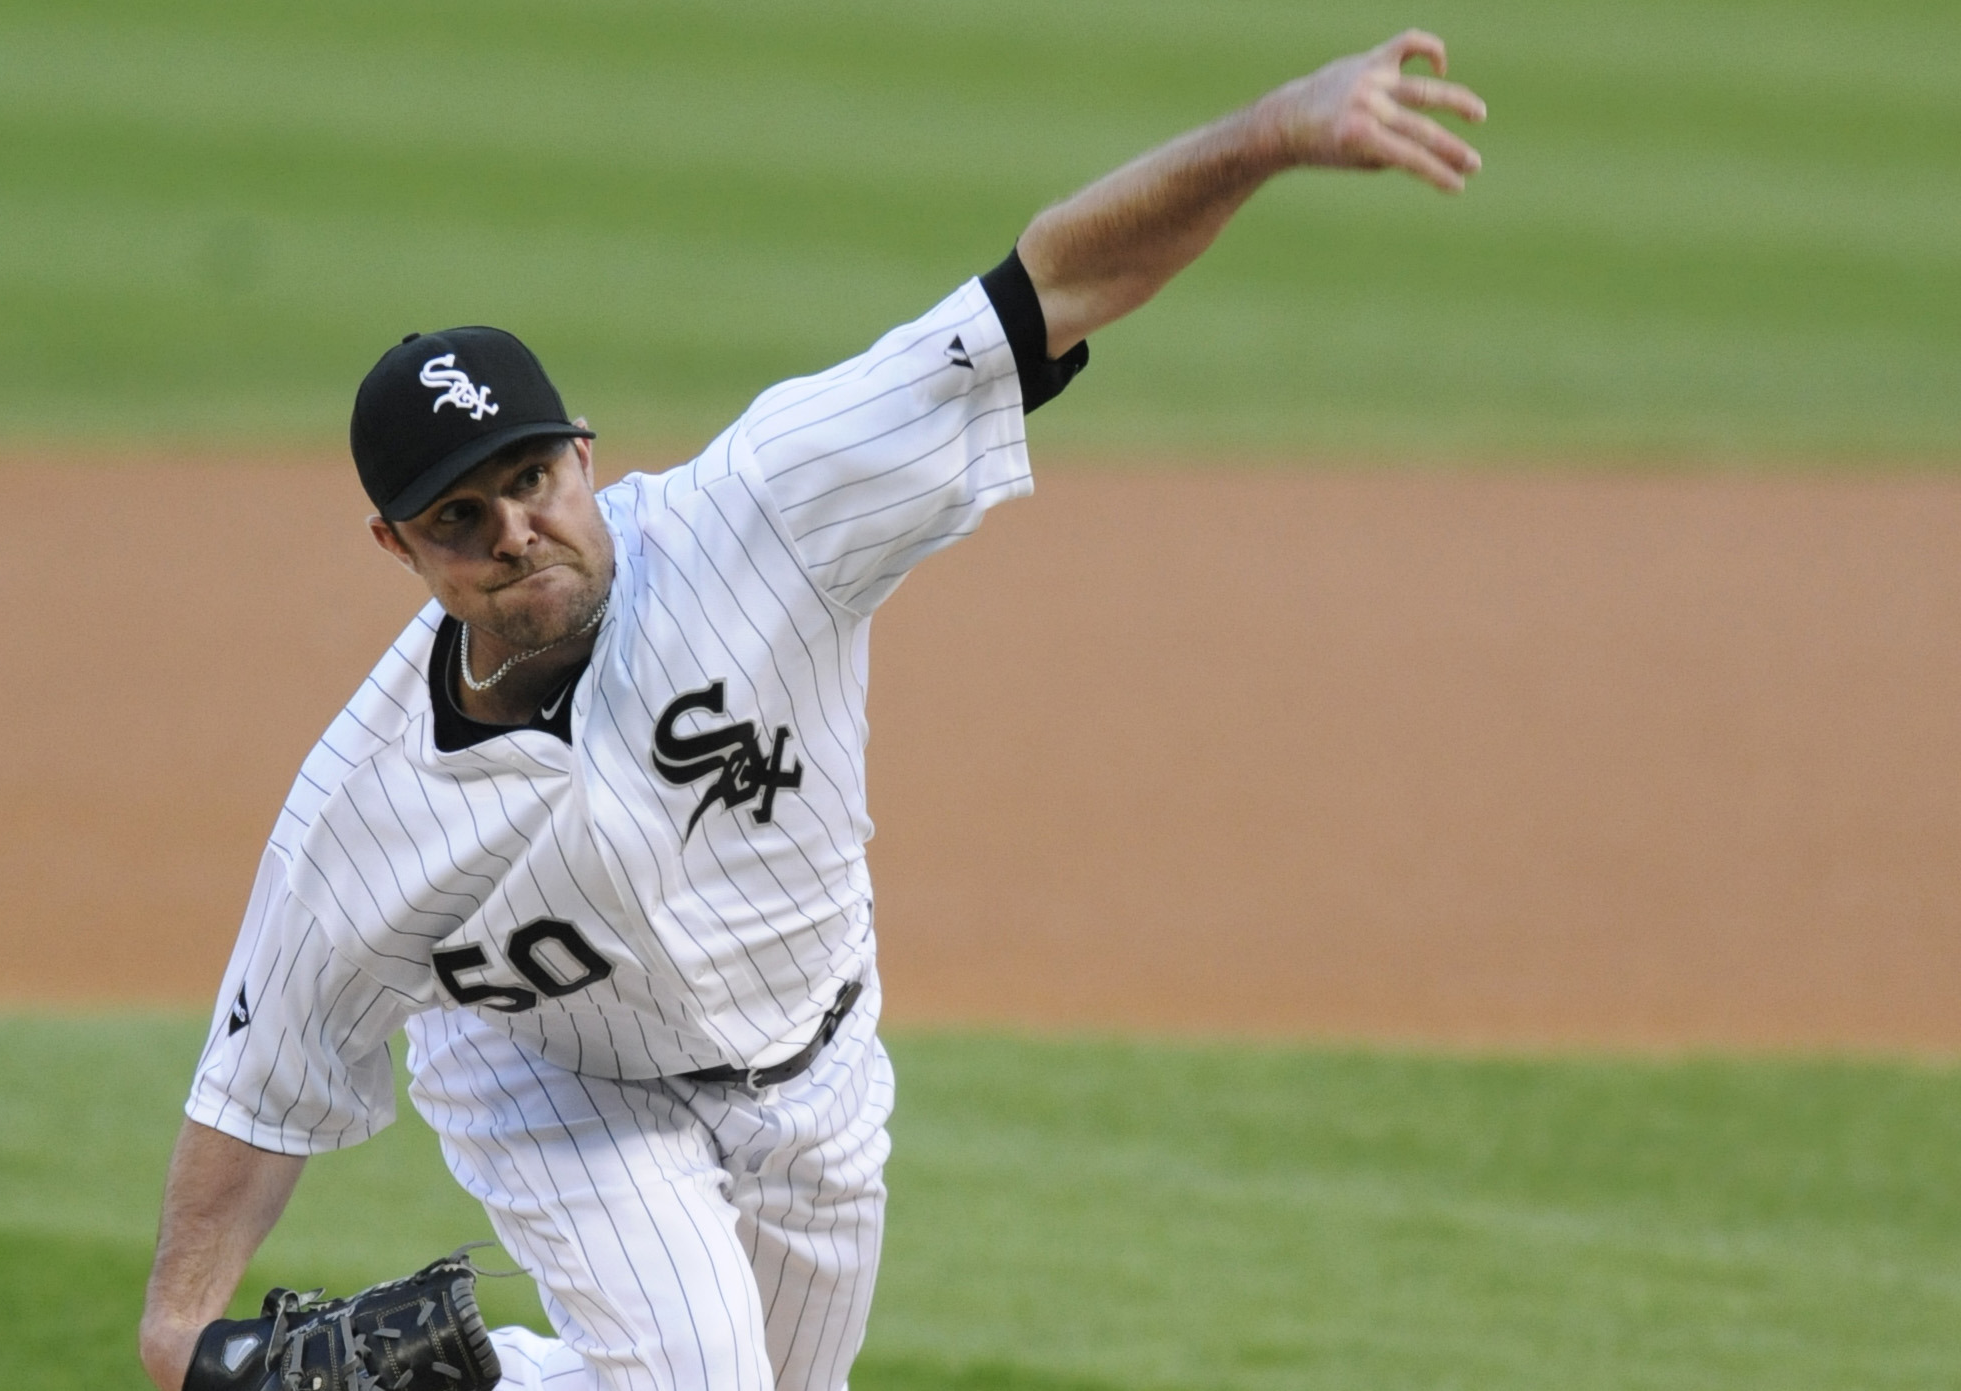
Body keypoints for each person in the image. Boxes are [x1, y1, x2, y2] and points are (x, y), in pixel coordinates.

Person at [140, 32, 1485, 1391]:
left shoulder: (764, 516)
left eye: (534, 478)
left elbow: (1050, 290)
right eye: (462, 516)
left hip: (822, 1067)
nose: (516, 531)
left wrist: (1270, 133)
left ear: (586, 455)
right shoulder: (366, 810)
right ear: (401, 549)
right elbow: (263, 1080)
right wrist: (181, 1341)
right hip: (559, 1095)